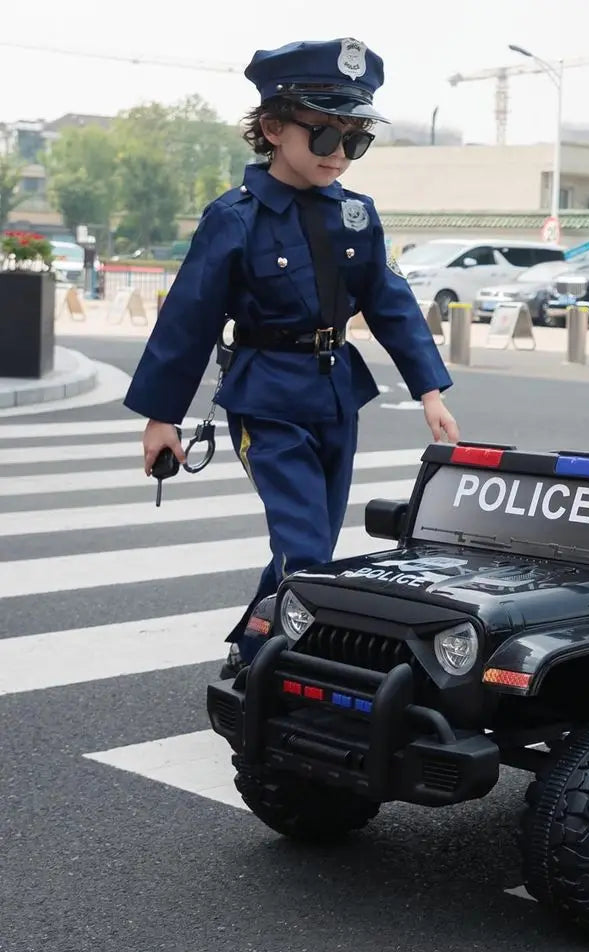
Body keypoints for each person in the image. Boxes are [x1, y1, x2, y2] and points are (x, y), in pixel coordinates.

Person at [123, 38, 460, 679]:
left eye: (356, 140)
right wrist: (160, 417)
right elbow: (187, 320)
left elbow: (391, 303)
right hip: (267, 397)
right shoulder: (235, 218)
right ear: (274, 129)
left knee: (314, 545)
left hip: (336, 394)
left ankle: (255, 638)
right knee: (304, 547)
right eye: (325, 136)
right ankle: (272, 669)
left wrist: (429, 390)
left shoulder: (358, 216)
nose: (341, 155)